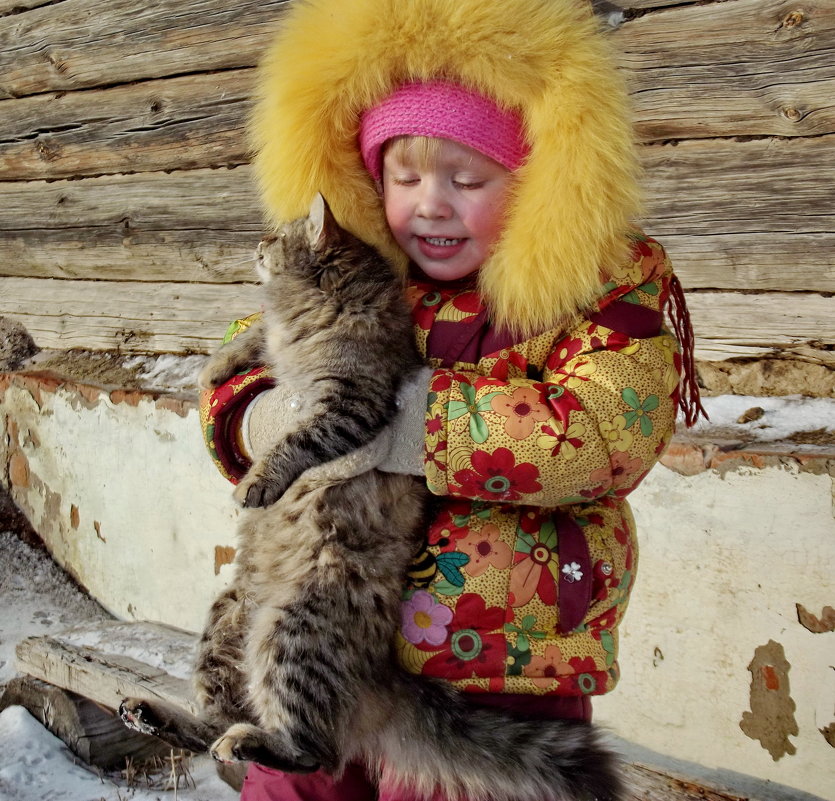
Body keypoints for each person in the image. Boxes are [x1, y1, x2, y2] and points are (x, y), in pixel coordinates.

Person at [199, 0, 706, 799]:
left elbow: (603, 435)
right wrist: (261, 416)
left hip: (496, 660)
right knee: (291, 786)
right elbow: (238, 373)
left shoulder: (600, 293)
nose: (430, 203)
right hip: (321, 635)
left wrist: (404, 427)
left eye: (466, 179)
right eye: (403, 177)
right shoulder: (354, 272)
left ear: (539, 180)